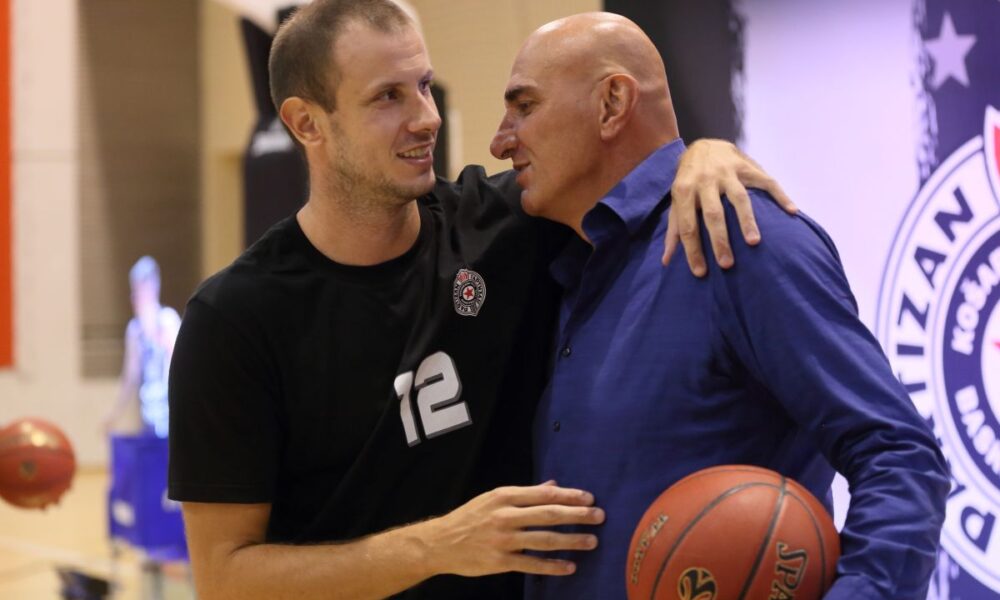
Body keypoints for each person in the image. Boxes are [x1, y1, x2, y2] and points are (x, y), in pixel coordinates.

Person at [167, 1, 794, 598]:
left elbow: (625, 162)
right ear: (307, 123)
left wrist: (705, 155)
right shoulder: (236, 319)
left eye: (423, 84)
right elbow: (226, 579)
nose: (426, 117)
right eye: (388, 96)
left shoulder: (511, 226)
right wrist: (440, 546)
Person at [488, 12, 951, 600]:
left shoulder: (743, 240)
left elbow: (899, 455)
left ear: (611, 103)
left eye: (524, 106)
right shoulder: (556, 258)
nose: (501, 139)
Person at [103, 256, 180, 438]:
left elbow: (178, 369)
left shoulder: (168, 321)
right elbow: (130, 376)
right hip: (148, 416)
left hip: (170, 416)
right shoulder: (135, 330)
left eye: (141, 289)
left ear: (154, 288)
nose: (137, 297)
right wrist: (114, 415)